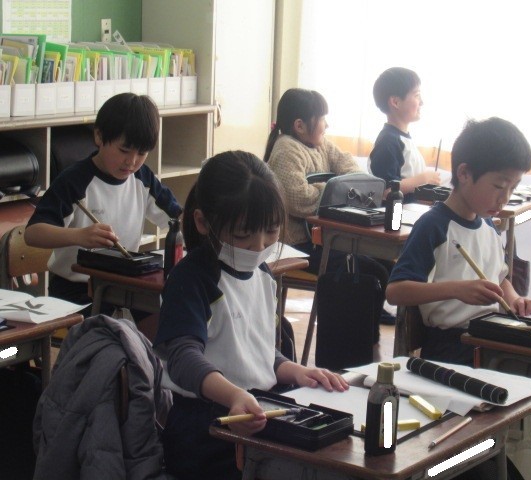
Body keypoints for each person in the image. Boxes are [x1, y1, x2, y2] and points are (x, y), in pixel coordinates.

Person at [386, 117, 531, 449]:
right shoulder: (434, 226)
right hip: (455, 351)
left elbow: (500, 277)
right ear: (464, 173)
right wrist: (457, 289)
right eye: (499, 185)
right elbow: (396, 290)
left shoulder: (487, 225)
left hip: (492, 340)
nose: (505, 198)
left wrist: (516, 300)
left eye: (513, 188)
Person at [154, 151, 349, 480]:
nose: (258, 246)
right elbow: (182, 358)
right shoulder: (191, 279)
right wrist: (234, 395)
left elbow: (257, 351)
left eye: (271, 232)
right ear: (203, 223)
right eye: (243, 235)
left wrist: (297, 371)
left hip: (255, 410)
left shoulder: (262, 275)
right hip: (207, 427)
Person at [24, 93, 182, 317]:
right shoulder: (75, 181)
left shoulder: (143, 178)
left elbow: (178, 220)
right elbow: (33, 233)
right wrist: (79, 236)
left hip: (124, 284)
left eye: (142, 153)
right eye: (124, 150)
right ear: (99, 136)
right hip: (75, 293)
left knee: (167, 316)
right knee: (110, 334)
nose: (132, 162)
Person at [265, 87, 394, 327]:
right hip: (297, 245)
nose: (327, 125)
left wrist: (336, 187)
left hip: (324, 239)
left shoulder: (322, 145)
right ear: (300, 125)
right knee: (372, 271)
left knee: (385, 263)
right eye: (322, 118)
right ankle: (359, 336)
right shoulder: (286, 149)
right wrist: (338, 188)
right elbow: (298, 199)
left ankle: (368, 333)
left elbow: (356, 175)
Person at [369, 67, 441, 203]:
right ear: (395, 102)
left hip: (409, 211)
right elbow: (385, 191)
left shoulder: (403, 139)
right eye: (417, 95)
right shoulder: (388, 141)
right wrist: (423, 179)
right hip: (395, 214)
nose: (422, 102)